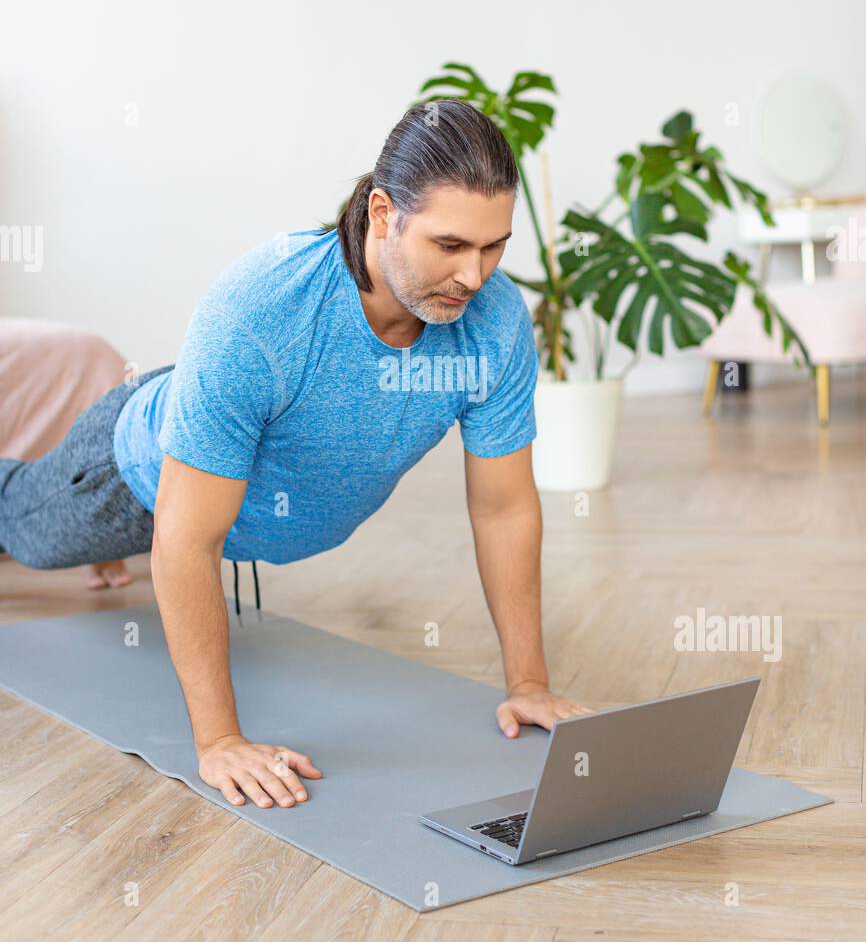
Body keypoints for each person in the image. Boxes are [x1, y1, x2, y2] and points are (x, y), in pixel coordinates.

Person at [0, 99, 591, 808]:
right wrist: (219, 741)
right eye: (450, 245)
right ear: (382, 213)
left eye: (493, 247)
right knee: (20, 527)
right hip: (129, 473)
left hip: (216, 432)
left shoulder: (492, 325)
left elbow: (503, 508)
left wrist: (528, 683)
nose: (473, 275)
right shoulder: (262, 309)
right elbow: (187, 539)